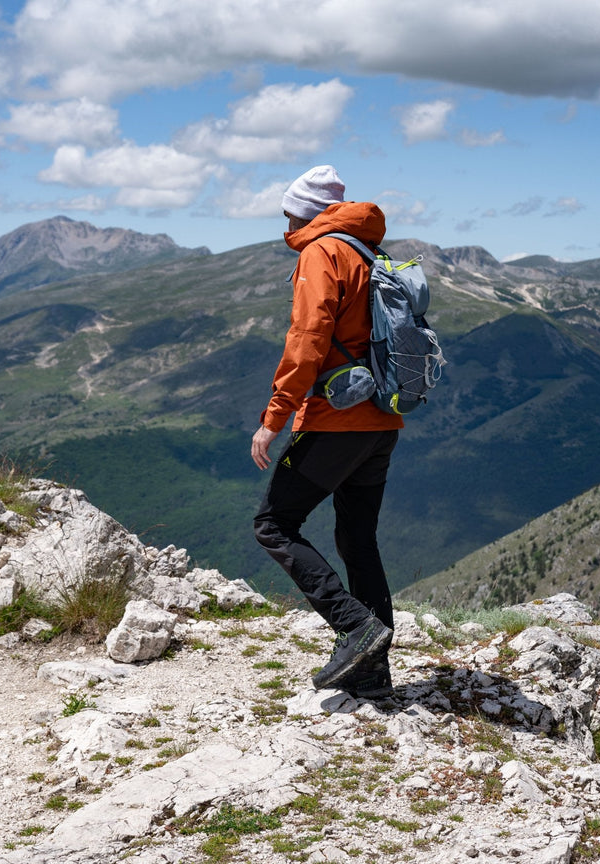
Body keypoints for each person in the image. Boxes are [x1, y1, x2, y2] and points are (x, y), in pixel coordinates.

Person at [252, 165, 400, 698]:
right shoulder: (367, 250)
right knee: (357, 538)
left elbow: (307, 338)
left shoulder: (322, 252)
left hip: (338, 422)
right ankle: (374, 673)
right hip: (382, 420)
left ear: (306, 211)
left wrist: (274, 417)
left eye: (288, 210)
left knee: (273, 523)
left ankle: (354, 627)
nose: (284, 220)